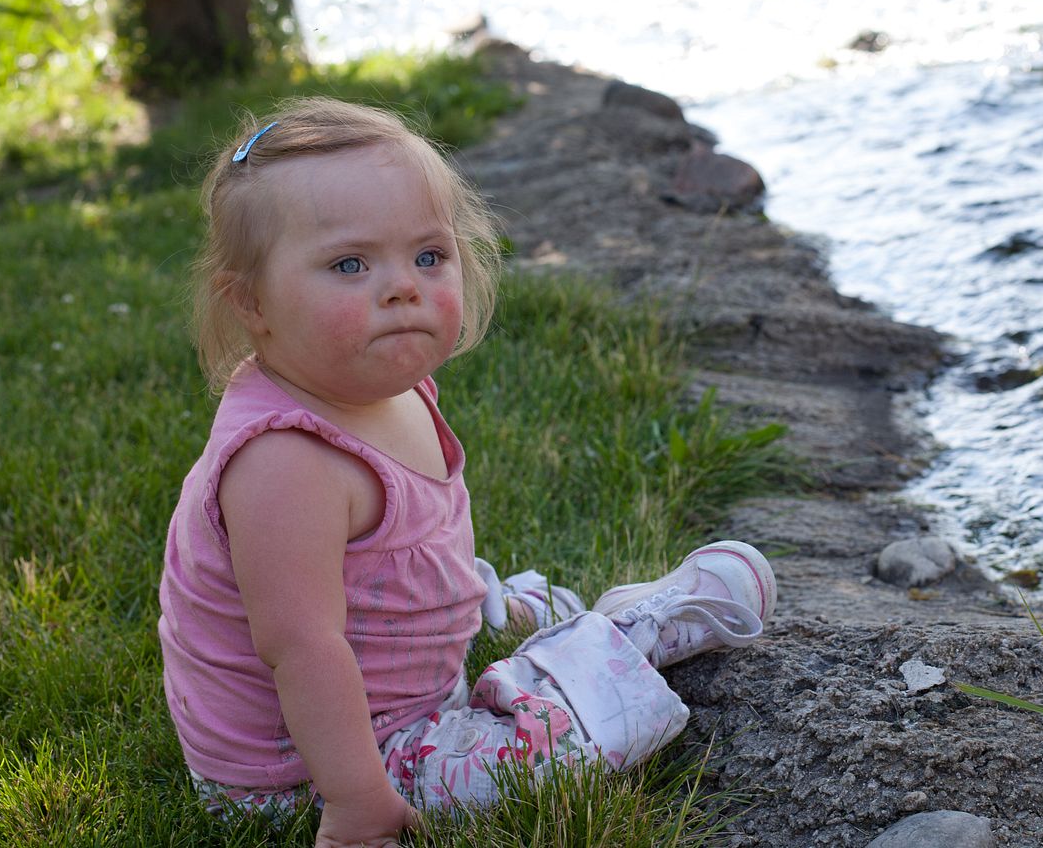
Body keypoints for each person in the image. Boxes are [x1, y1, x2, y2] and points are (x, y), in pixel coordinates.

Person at [157, 97, 776, 848]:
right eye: (350, 264)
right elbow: (302, 648)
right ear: (251, 301)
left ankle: (477, 603)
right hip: (316, 773)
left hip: (385, 689)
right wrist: (356, 799)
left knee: (428, 573)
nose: (402, 286)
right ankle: (627, 635)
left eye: (428, 256)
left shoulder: (378, 384)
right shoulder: (287, 464)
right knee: (547, 754)